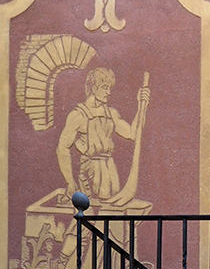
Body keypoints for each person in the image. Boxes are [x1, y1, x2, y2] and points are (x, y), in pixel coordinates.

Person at [57, 67, 150, 202]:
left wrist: (142, 106)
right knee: (95, 213)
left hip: (110, 169)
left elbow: (133, 134)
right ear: (94, 88)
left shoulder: (110, 113)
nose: (109, 92)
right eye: (105, 87)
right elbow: (62, 148)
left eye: (110, 88)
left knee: (112, 210)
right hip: (91, 170)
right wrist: (70, 182)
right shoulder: (78, 115)